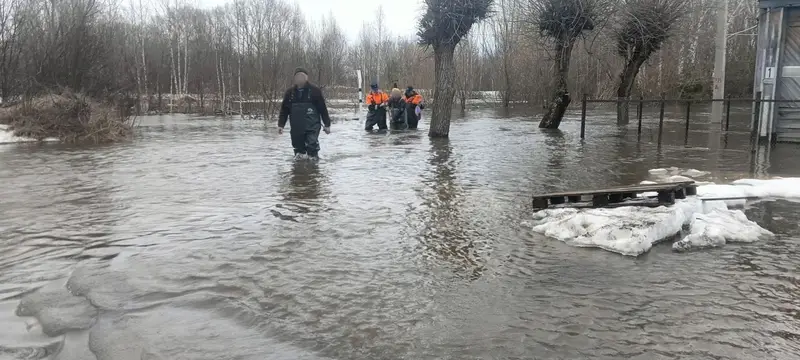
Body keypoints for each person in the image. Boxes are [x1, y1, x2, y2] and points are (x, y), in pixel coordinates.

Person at [278, 67, 331, 160]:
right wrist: (281, 125)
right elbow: (284, 110)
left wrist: (327, 124)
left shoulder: (315, 91)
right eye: (298, 76)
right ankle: (299, 171)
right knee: (299, 152)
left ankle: (314, 169)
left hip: (312, 126)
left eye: (302, 76)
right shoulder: (289, 93)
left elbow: (323, 109)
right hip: (296, 127)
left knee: (312, 145)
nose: (300, 78)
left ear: (306, 78)